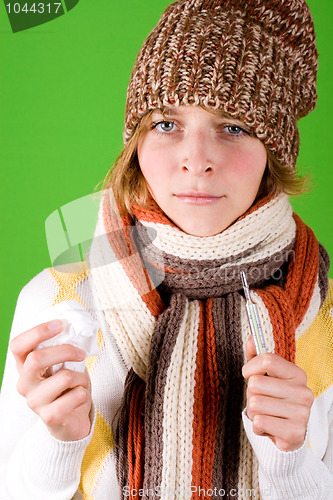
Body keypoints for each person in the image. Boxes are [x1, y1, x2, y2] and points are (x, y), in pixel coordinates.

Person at [1, 0, 333, 498]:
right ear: (135, 142)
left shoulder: (322, 315)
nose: (195, 160)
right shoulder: (58, 304)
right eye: (165, 124)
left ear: (273, 150)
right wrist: (60, 444)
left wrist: (289, 462)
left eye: (234, 127)